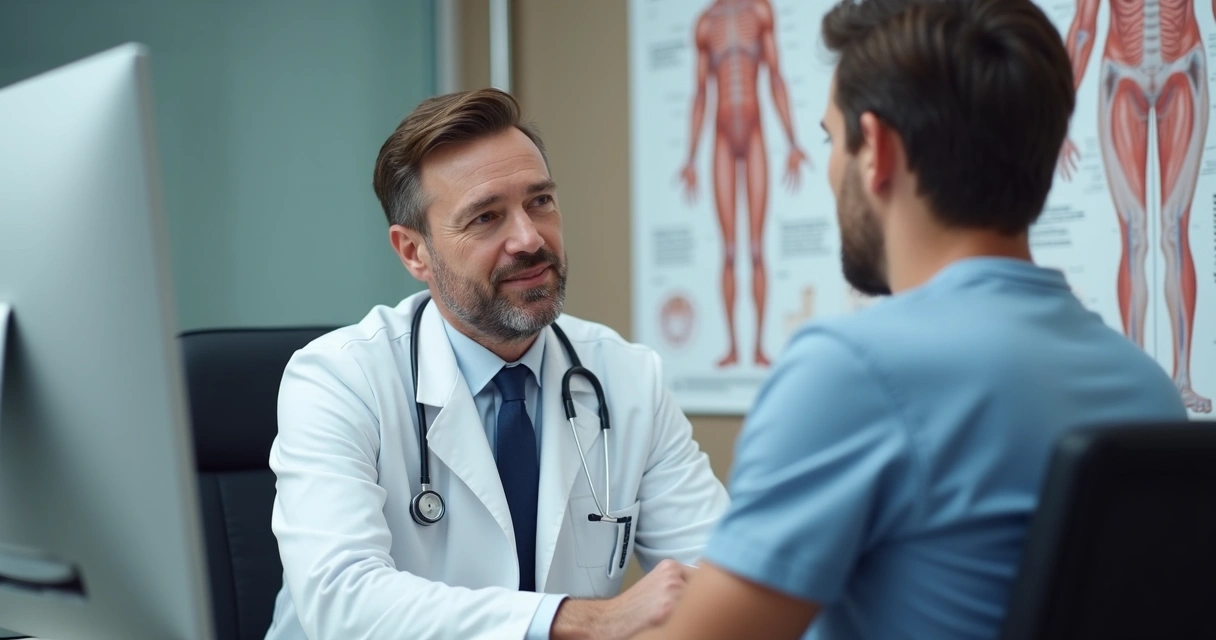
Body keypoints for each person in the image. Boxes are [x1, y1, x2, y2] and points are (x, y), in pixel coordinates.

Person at [635, 0, 1189, 638]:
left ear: (877, 149)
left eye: (830, 139)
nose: (829, 167)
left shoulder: (850, 371)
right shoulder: (1148, 390)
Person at [264, 88, 729, 640]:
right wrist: (582, 621)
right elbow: (342, 602)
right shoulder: (338, 381)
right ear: (414, 252)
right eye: (486, 217)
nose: (529, 239)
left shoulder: (626, 377)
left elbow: (719, 572)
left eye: (540, 202)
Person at [1058, 0, 1213, 413]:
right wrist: (1061, 112)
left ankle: (1181, 379)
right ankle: (1136, 382)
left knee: (1174, 230)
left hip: (1184, 65)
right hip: (1120, 71)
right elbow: (1085, 27)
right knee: (1135, 233)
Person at [679, 0, 810, 368]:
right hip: (721, 139)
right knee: (731, 250)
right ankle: (735, 347)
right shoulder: (706, 23)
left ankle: (758, 348)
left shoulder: (761, 12)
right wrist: (689, 158)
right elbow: (700, 94)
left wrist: (793, 141)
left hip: (753, 136)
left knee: (755, 248)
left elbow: (777, 78)